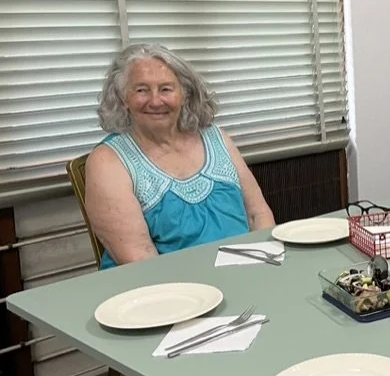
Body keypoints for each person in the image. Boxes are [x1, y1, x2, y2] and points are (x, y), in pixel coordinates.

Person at [85, 43, 275, 268]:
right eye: (141, 90)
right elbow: (141, 261)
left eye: (166, 89)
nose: (155, 101)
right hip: (166, 290)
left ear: (184, 94)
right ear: (123, 98)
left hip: (244, 272)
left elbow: (258, 214)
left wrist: (267, 267)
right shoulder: (107, 162)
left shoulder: (217, 137)